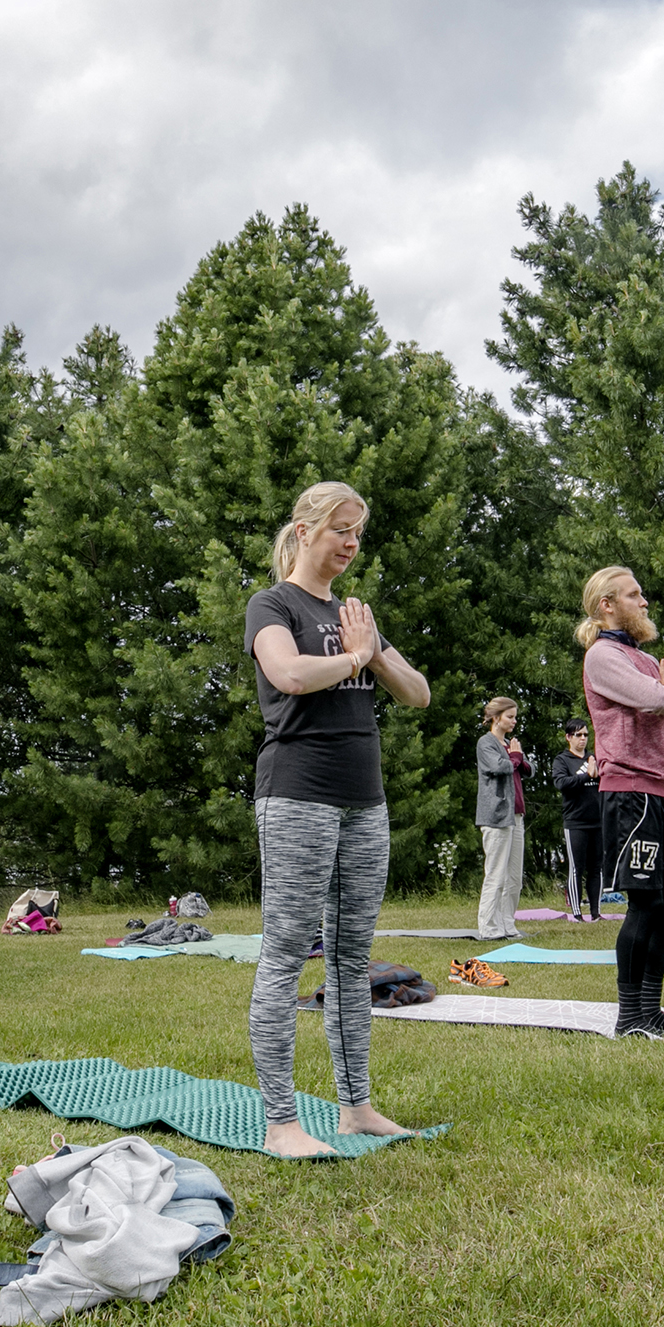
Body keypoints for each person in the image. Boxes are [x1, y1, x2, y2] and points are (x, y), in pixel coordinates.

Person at [245, 480, 432, 1158]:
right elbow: (289, 674)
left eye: (357, 533)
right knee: (287, 953)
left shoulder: (356, 615)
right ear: (304, 531)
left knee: (352, 960)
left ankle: (355, 1109)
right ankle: (280, 1123)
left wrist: (372, 650)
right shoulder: (272, 604)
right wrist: (352, 655)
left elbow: (418, 694)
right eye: (339, 531)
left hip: (364, 801)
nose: (351, 544)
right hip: (296, 795)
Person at [577, 566, 664, 1037]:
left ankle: (650, 1007)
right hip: (631, 792)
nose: (645, 600)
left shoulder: (646, 659)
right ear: (607, 604)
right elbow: (660, 699)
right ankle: (630, 1014)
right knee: (645, 903)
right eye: (634, 595)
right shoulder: (603, 656)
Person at [472, 697, 531, 940]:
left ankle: (507, 924)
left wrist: (519, 757)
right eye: (510, 717)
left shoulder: (510, 744)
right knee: (495, 874)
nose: (514, 721)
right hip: (496, 816)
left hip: (516, 815)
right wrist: (516, 757)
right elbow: (500, 767)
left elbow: (527, 767)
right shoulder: (485, 743)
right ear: (496, 717)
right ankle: (488, 927)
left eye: (515, 716)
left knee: (514, 878)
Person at [546, 719, 606, 919]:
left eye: (585, 735)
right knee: (576, 868)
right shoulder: (562, 760)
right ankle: (577, 913)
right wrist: (586, 776)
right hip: (575, 822)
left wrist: (597, 774)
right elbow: (562, 783)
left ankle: (596, 913)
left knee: (596, 868)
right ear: (568, 737)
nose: (582, 739)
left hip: (597, 821)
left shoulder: (593, 758)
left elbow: (605, 780)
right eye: (578, 735)